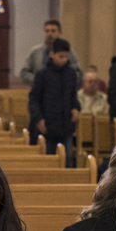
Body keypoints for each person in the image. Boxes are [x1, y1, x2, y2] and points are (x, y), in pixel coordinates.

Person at [28, 38, 81, 166]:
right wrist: (38, 118)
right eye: (60, 56)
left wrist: (76, 108)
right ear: (52, 54)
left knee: (67, 158)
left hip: (66, 125)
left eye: (66, 56)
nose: (64, 59)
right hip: (47, 125)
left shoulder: (71, 74)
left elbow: (73, 96)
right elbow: (34, 98)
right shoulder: (42, 74)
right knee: (48, 160)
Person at [19, 19, 81, 85]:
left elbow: (78, 74)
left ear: (60, 33)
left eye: (53, 31)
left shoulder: (69, 53)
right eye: (47, 31)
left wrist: (61, 79)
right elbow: (24, 73)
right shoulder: (35, 52)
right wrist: (40, 79)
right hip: (40, 91)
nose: (49, 34)